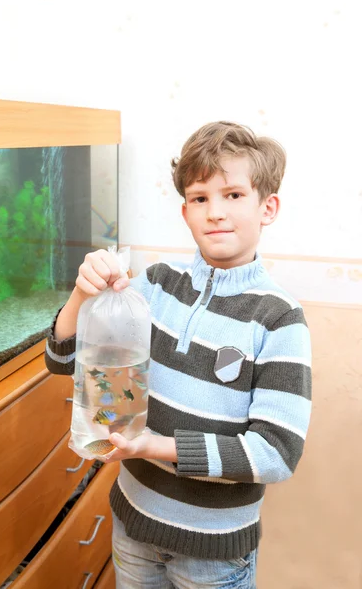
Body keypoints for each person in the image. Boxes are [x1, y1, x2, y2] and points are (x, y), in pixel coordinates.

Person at [45, 121, 312, 588]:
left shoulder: (279, 319)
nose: (215, 212)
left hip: (214, 554)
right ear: (185, 211)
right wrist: (80, 296)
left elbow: (276, 453)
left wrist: (155, 447)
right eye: (199, 198)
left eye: (232, 195)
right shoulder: (154, 285)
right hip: (134, 527)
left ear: (267, 207)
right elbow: (63, 361)